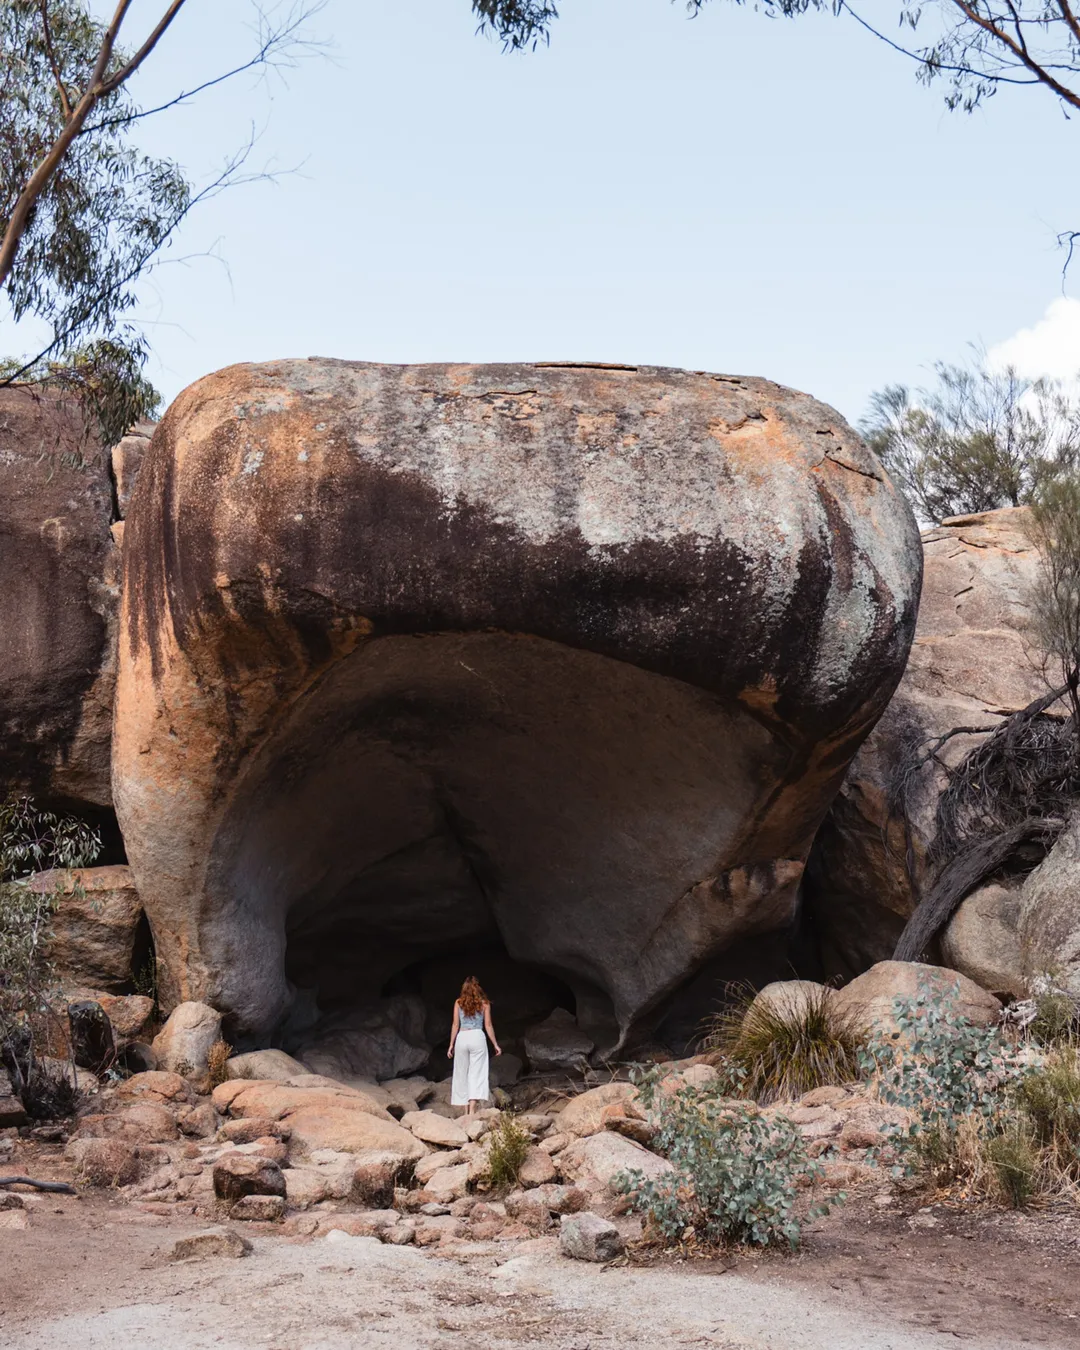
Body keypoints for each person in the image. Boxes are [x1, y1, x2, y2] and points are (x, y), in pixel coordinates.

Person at [448, 975, 501, 1115]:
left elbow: (455, 1025)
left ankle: (465, 1112)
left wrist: (451, 1044)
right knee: (476, 1074)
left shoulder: (458, 1003)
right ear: (478, 988)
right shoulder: (485, 1004)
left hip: (462, 1037)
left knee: (462, 1073)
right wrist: (495, 1044)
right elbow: (488, 1025)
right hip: (477, 1036)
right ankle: (472, 1111)